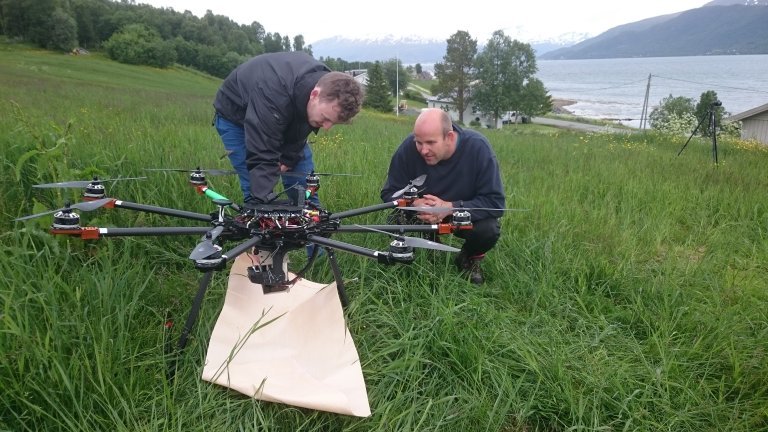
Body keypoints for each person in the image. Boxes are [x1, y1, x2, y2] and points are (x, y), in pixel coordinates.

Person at [213, 51, 364, 205]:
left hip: (279, 111)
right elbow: (262, 153)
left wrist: (289, 155)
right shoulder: (274, 91)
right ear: (314, 94)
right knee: (257, 187)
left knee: (304, 187)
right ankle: (261, 224)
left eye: (332, 122)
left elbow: (302, 124)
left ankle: (307, 225)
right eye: (325, 118)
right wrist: (264, 202)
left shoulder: (327, 84)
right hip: (237, 117)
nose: (326, 127)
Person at [380, 108, 505, 284]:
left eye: (431, 142)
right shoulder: (408, 148)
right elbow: (389, 192)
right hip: (420, 215)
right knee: (394, 220)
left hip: (458, 216)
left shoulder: (478, 148)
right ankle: (411, 256)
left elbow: (496, 203)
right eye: (419, 142)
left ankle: (467, 257)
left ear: (450, 137)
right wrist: (415, 204)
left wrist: (449, 208)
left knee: (488, 229)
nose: (423, 150)